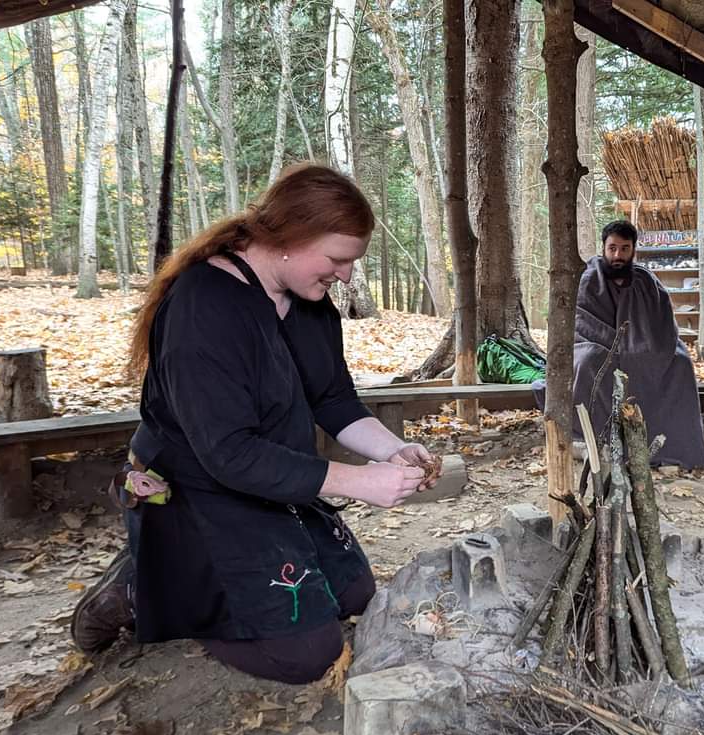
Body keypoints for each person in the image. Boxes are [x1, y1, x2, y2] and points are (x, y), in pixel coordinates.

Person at [70, 164, 439, 683]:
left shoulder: (310, 303)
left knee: (353, 594)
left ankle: (188, 578)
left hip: (274, 476)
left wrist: (390, 451)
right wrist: (357, 483)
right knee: (306, 654)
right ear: (290, 236)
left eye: (352, 261)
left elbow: (333, 399)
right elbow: (230, 454)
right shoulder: (205, 306)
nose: (346, 275)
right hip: (201, 486)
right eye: (337, 259)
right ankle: (144, 585)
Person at [568, 220, 704, 469]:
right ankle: (595, 441)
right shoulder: (590, 279)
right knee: (588, 360)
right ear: (603, 248)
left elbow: (664, 325)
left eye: (624, 248)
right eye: (612, 248)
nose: (617, 255)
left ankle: (671, 444)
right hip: (597, 346)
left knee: (681, 363)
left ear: (634, 249)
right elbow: (582, 323)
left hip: (646, 347)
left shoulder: (648, 282)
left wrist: (643, 348)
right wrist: (616, 347)